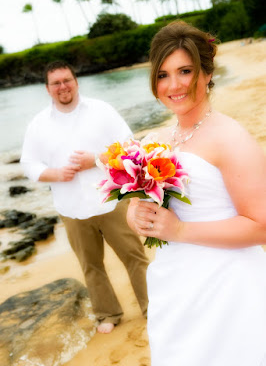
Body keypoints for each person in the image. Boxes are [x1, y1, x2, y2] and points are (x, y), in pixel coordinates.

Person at [127, 21, 266, 365]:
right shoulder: (157, 141)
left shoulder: (230, 138)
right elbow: (144, 210)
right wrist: (137, 216)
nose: (173, 85)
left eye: (184, 71)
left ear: (206, 73)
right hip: (174, 284)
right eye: (162, 74)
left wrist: (180, 230)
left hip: (227, 287)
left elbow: (261, 225)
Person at [21, 60, 149, 334]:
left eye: (67, 80)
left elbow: (130, 145)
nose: (62, 87)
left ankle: (152, 307)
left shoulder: (101, 110)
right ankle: (108, 314)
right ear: (47, 89)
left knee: (134, 257)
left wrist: (97, 160)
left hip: (111, 200)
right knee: (91, 266)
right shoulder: (38, 124)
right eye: (56, 83)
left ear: (76, 81)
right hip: (72, 208)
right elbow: (28, 164)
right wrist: (54, 174)